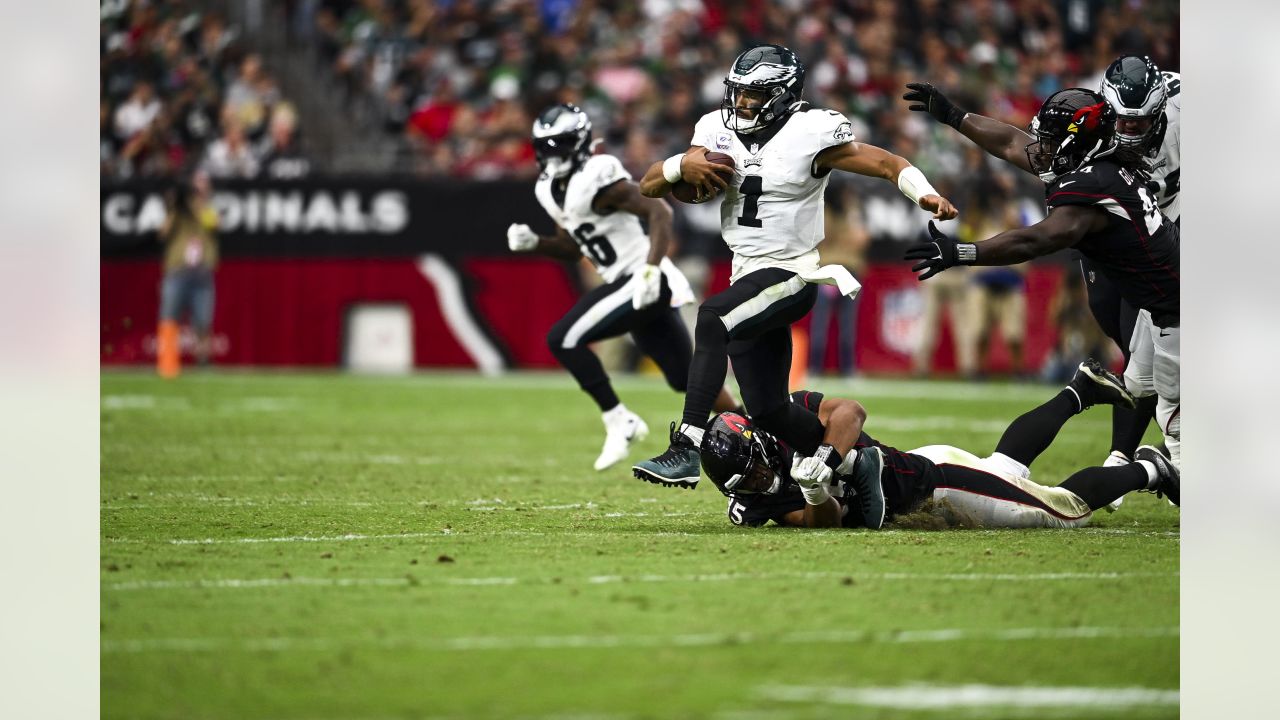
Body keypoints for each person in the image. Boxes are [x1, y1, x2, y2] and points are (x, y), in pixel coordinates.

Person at [632, 44, 957, 489]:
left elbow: (885, 163)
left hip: (791, 272)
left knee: (712, 318)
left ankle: (685, 447)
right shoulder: (713, 128)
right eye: (739, 92)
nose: (742, 103)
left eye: (755, 95)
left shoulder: (812, 132)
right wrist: (678, 164)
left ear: (784, 94)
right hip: (746, 273)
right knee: (768, 410)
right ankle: (859, 467)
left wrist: (925, 194)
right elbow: (649, 186)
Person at [900, 85, 1180, 470]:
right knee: (1135, 382)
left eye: (1049, 142)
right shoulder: (1100, 162)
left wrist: (962, 252)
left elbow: (1039, 239)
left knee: (1176, 437)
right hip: (1160, 304)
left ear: (1076, 142)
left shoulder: (1092, 181)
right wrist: (953, 116)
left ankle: (1146, 469)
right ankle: (1116, 445)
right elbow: (1012, 143)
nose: (1039, 148)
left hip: (1176, 313)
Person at [507, 104, 738, 472]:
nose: (553, 153)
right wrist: (535, 243)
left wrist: (649, 270)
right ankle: (751, 425)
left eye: (561, 144)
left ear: (580, 143)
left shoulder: (597, 173)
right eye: (546, 146)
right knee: (687, 379)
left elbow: (660, 212)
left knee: (563, 339)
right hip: (628, 284)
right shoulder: (548, 189)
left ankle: (619, 420)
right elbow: (571, 246)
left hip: (643, 279)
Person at [700, 360, 1178, 531]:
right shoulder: (755, 498)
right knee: (1005, 465)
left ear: (760, 441)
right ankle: (1080, 390)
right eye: (750, 484)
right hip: (917, 468)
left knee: (1065, 509)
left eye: (760, 471)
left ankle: (1153, 468)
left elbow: (850, 413)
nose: (762, 483)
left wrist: (826, 459)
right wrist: (815, 493)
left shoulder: (785, 414)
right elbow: (813, 523)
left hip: (935, 486)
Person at [156, 171, 219, 377]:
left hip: (201, 273)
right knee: (169, 316)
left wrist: (197, 205)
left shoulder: (208, 210)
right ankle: (168, 363)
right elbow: (163, 233)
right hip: (178, 271)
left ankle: (203, 361)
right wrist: (175, 206)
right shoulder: (176, 211)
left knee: (203, 321)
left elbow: (214, 224)